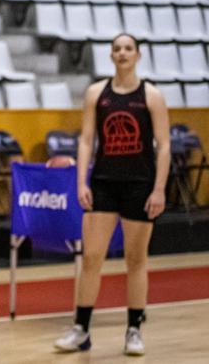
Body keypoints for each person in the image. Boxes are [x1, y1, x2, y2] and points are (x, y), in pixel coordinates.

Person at [54, 33, 170, 357]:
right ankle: (81, 329)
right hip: (104, 183)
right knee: (92, 258)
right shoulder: (96, 93)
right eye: (117, 48)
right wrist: (81, 183)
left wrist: (159, 188)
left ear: (138, 55)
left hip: (140, 185)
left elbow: (164, 147)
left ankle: (134, 330)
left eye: (128, 48)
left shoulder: (152, 96)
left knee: (136, 260)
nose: (122, 53)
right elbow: (86, 141)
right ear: (111, 55)